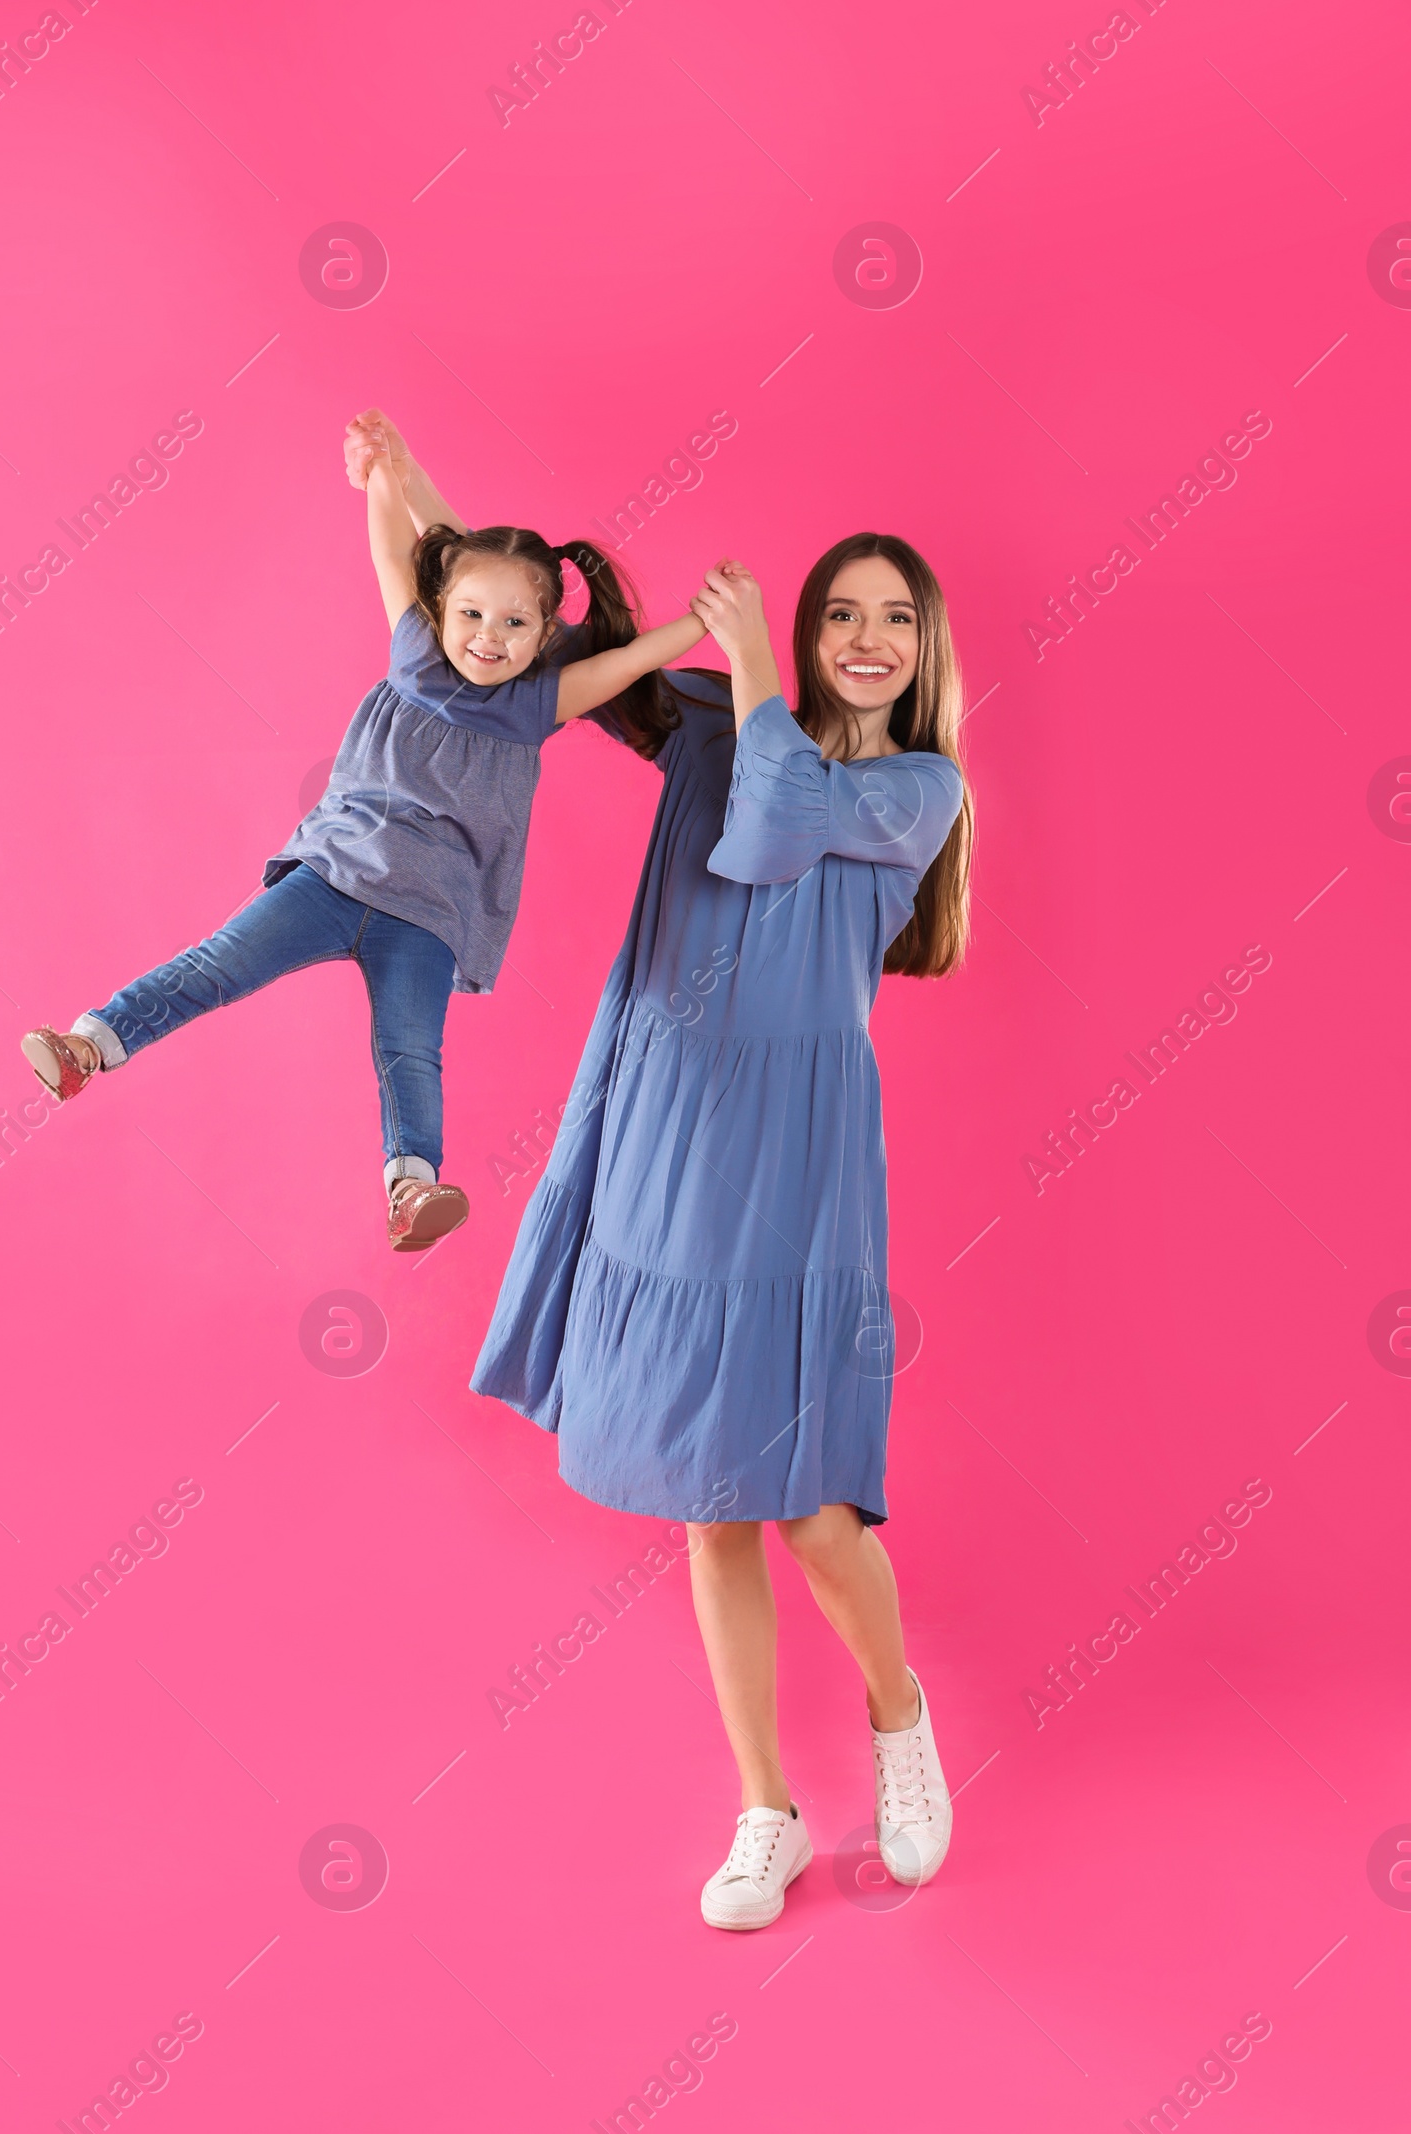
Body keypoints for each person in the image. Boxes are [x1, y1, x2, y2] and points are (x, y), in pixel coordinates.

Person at [473, 536, 973, 1926]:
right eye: (839, 615)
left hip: (799, 1159)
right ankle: (768, 1804)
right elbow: (535, 668)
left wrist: (751, 660)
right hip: (669, 1125)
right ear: (812, 630)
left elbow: (768, 827)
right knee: (711, 1501)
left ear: (925, 647)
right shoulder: (718, 718)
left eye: (895, 618)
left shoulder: (912, 790)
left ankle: (900, 1718)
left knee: (815, 1513)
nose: (866, 637)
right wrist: (407, 503)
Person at [20, 411, 706, 1251]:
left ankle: (412, 1190)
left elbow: (618, 665)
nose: (487, 637)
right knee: (218, 965)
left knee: (410, 1048)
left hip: (429, 915)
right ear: (442, 608)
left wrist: (706, 621)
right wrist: (385, 471)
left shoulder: (535, 707)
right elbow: (403, 549)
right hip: (335, 875)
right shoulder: (416, 652)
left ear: (543, 635)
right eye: (472, 615)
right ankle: (89, 1045)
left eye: (514, 625)